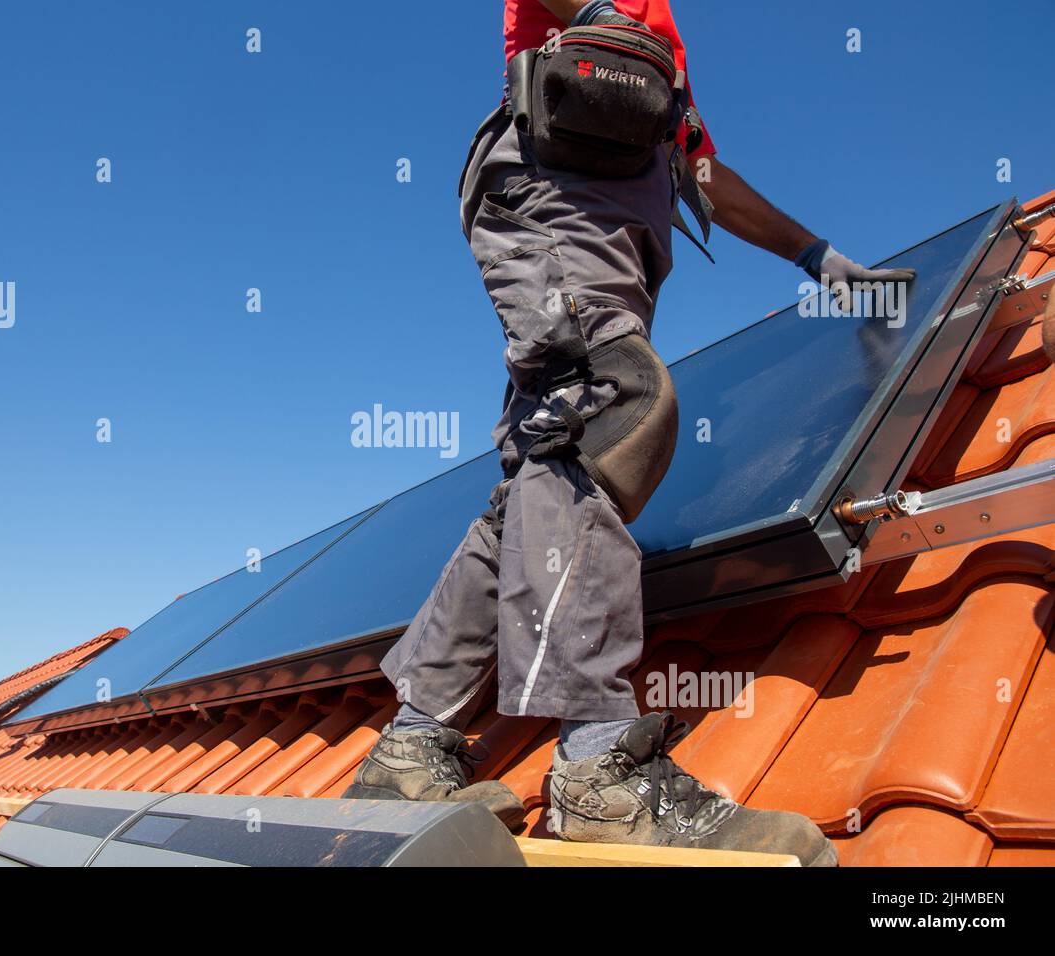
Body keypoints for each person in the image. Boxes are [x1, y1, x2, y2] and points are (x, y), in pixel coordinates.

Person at [345, 0, 911, 866]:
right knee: (609, 405)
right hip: (559, 173)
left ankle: (412, 748)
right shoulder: (603, 22)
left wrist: (816, 257)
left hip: (607, 204)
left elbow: (701, 170)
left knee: (546, 474)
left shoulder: (660, 65)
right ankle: (596, 767)